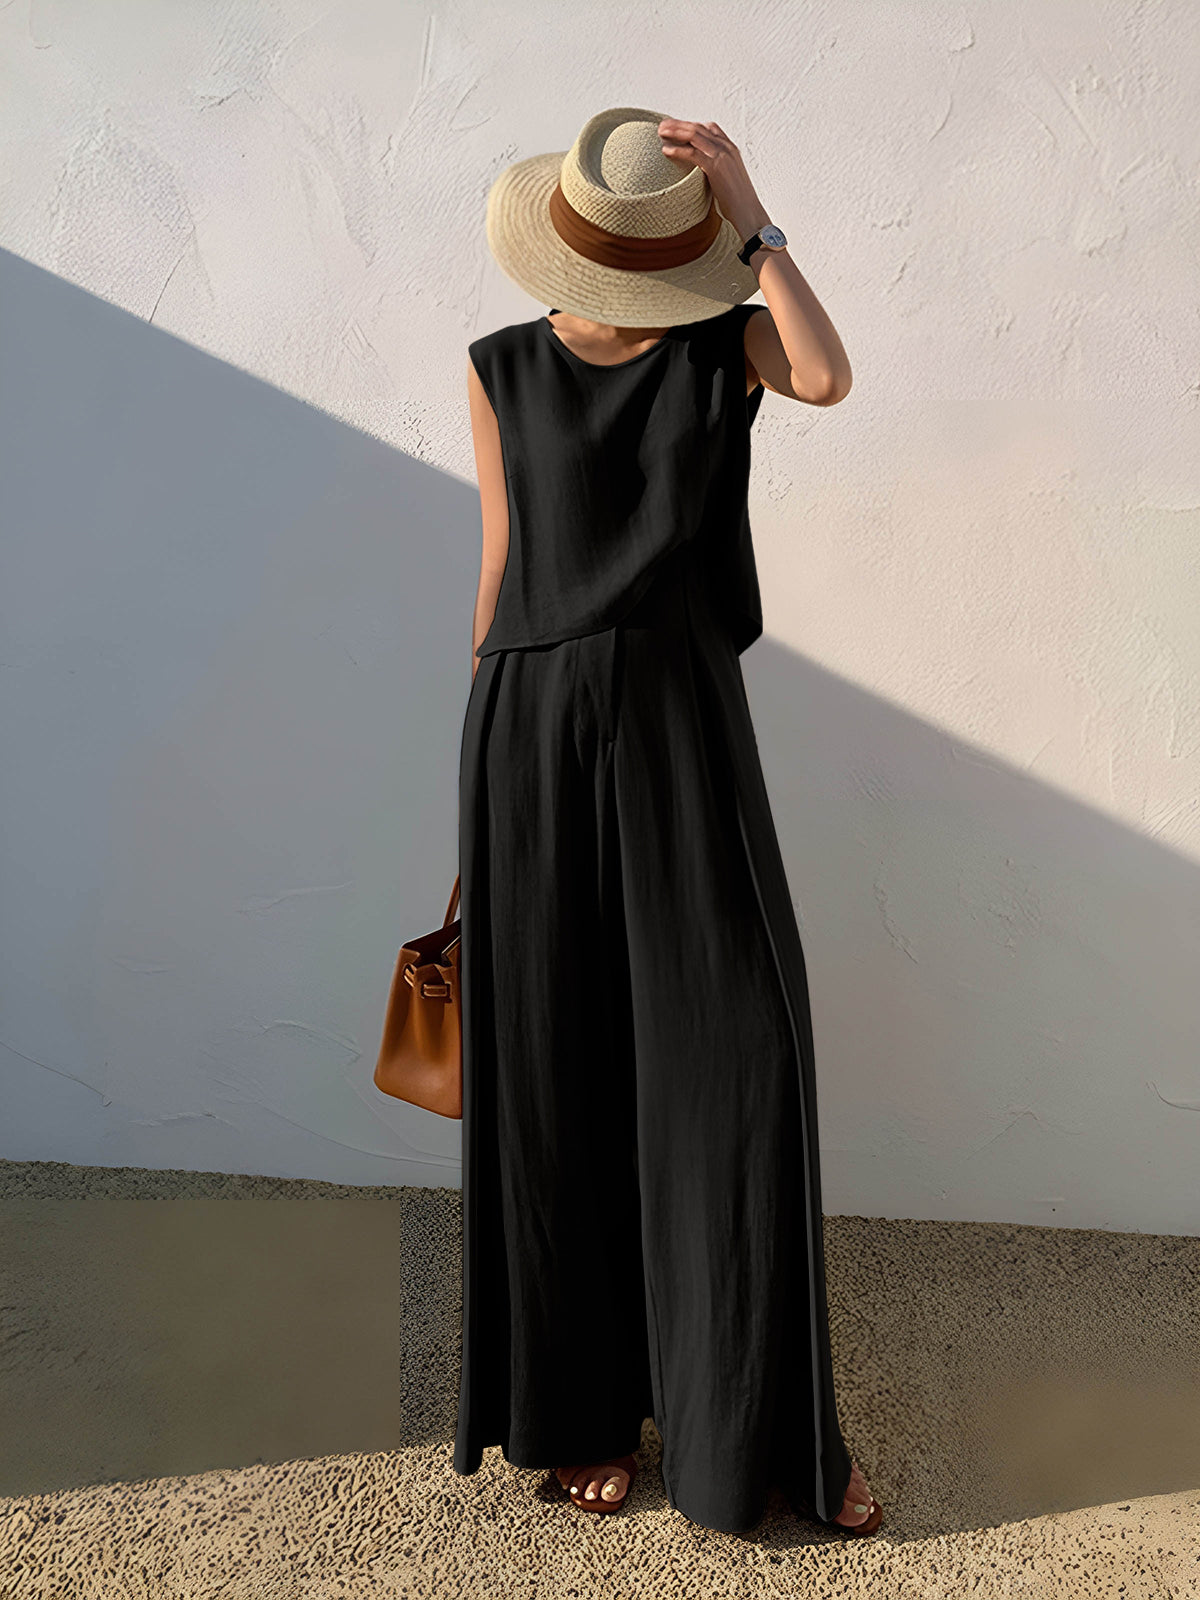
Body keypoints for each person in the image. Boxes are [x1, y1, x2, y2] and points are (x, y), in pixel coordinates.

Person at [453, 105, 881, 1537]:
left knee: (740, 1059)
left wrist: (757, 220)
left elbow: (825, 374)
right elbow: (502, 563)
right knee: (556, 1070)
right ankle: (583, 1413)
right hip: (529, 732)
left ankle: (763, 1429)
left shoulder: (724, 351)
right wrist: (476, 786)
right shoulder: (500, 369)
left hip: (683, 726)